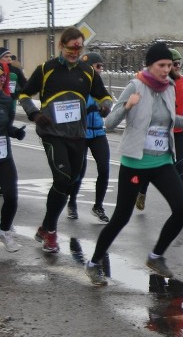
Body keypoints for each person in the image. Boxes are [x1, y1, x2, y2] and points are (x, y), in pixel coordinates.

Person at [84, 42, 183, 286]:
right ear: (150, 65)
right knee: (121, 218)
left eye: (169, 65)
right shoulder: (135, 86)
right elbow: (109, 123)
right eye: (162, 65)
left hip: (161, 160)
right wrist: (128, 106)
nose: (166, 69)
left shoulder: (168, 87)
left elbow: (170, 119)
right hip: (136, 162)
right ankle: (94, 262)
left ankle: (156, 256)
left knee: (181, 208)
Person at [18, 27, 113, 253]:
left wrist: (105, 106)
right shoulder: (46, 69)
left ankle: (45, 227)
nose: (74, 52)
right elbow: (23, 94)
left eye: (79, 48)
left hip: (77, 135)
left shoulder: (87, 71)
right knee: (62, 180)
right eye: (71, 48)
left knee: (70, 183)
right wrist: (35, 114)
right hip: (52, 133)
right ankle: (51, 233)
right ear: (62, 46)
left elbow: (104, 95)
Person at [136, 49, 183, 215]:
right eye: (174, 64)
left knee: (180, 166)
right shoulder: (158, 83)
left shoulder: (182, 80)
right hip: (161, 132)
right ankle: (142, 191)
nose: (178, 67)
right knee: (153, 168)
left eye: (179, 64)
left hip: (178, 131)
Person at [67, 52, 111, 223]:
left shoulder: (99, 85)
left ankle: (98, 206)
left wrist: (106, 108)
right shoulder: (77, 84)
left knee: (104, 168)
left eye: (101, 66)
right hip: (81, 134)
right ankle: (72, 203)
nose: (101, 69)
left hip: (98, 132)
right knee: (79, 170)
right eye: (98, 66)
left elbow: (107, 100)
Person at [0, 60, 26, 252]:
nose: (1, 79)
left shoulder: (6, 100)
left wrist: (15, 132)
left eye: (3, 75)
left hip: (3, 153)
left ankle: (5, 230)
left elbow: (5, 126)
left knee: (11, 195)